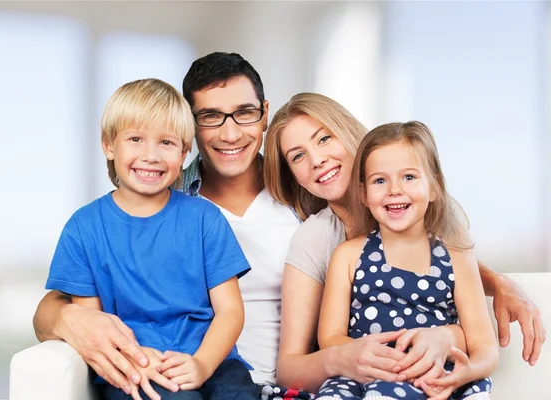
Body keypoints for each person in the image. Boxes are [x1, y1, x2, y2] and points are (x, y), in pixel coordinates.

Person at [33, 54, 544, 399]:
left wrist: (496, 282)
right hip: (198, 374)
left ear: (263, 115)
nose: (230, 132)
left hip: (280, 382)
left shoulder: (304, 198)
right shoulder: (164, 197)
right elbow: (76, 284)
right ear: (188, 128)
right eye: (210, 117)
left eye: (243, 114)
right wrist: (64, 319)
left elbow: (404, 238)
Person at [263, 92, 545, 394]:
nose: (317, 160)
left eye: (324, 139)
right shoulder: (319, 241)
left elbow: (458, 284)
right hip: (362, 376)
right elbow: (292, 365)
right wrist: (343, 357)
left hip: (432, 371)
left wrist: (497, 286)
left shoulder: (431, 212)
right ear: (292, 174)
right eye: (297, 156)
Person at [45, 78, 258, 400]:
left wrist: (201, 364)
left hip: (212, 360)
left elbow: (230, 311)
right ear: (109, 145)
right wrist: (137, 363)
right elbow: (93, 323)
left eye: (167, 143)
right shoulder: (84, 227)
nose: (151, 155)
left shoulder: (205, 219)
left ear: (185, 152)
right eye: (135, 139)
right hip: (135, 364)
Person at [315, 121, 498, 400]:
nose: (394, 190)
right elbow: (329, 338)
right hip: (368, 376)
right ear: (364, 195)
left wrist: (466, 372)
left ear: (434, 186)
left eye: (409, 177)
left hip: (435, 375)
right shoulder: (349, 256)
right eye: (380, 180)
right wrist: (378, 359)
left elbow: (485, 347)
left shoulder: (457, 256)